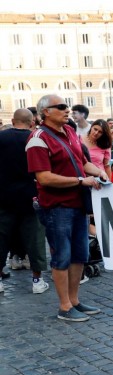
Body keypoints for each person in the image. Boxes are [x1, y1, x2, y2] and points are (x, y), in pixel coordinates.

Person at [25, 95, 108, 321]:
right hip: (57, 206)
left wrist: (98, 172)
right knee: (61, 256)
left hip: (78, 204)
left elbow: (83, 163)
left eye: (66, 106)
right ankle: (64, 306)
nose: (67, 109)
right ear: (46, 112)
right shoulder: (37, 138)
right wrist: (81, 181)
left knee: (79, 255)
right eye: (61, 107)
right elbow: (44, 178)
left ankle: (75, 301)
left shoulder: (71, 132)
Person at [0, 109, 50, 295]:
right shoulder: (36, 139)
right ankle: (37, 280)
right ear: (32, 122)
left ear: (13, 121)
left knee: (2, 239)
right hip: (32, 196)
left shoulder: (1, 138)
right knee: (35, 240)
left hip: (3, 197)